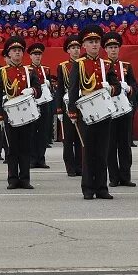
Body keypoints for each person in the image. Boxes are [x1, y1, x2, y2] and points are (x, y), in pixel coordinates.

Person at [67, 25, 121, 200]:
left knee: (102, 150)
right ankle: (88, 188)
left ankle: (102, 188)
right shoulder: (79, 64)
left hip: (104, 112)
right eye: (91, 42)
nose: (95, 45)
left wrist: (110, 88)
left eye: (97, 42)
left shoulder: (106, 65)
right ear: (84, 45)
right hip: (87, 112)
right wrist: (72, 112)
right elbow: (73, 89)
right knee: (89, 150)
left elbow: (118, 88)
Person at [0, 36, 41, 190]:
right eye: (14, 51)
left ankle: (25, 179)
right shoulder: (2, 72)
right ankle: (13, 179)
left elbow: (39, 91)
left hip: (27, 113)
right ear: (9, 53)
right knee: (12, 148)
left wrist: (32, 90)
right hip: (10, 114)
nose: (17, 53)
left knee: (26, 147)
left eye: (20, 51)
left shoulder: (30, 71)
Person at [103, 32, 137, 188]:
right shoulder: (102, 66)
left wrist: (129, 88)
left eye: (116, 47)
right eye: (110, 47)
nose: (113, 50)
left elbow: (135, 87)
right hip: (108, 110)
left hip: (124, 109)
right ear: (105, 49)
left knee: (124, 144)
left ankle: (126, 176)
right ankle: (113, 177)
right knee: (110, 145)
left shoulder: (126, 66)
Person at [56, 35, 83, 176]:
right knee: (68, 137)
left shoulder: (84, 63)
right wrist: (59, 109)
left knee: (80, 137)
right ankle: (70, 167)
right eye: (73, 48)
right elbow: (60, 88)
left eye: (78, 47)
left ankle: (80, 165)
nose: (76, 50)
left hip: (82, 103)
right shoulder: (63, 67)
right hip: (67, 104)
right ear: (68, 50)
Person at [27, 42, 52, 170]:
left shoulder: (46, 69)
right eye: (35, 54)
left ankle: (41, 158)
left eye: (39, 54)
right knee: (32, 131)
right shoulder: (27, 70)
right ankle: (32, 158)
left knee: (43, 132)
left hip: (44, 103)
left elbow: (50, 89)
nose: (37, 57)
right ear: (30, 56)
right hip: (32, 103)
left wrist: (49, 84)